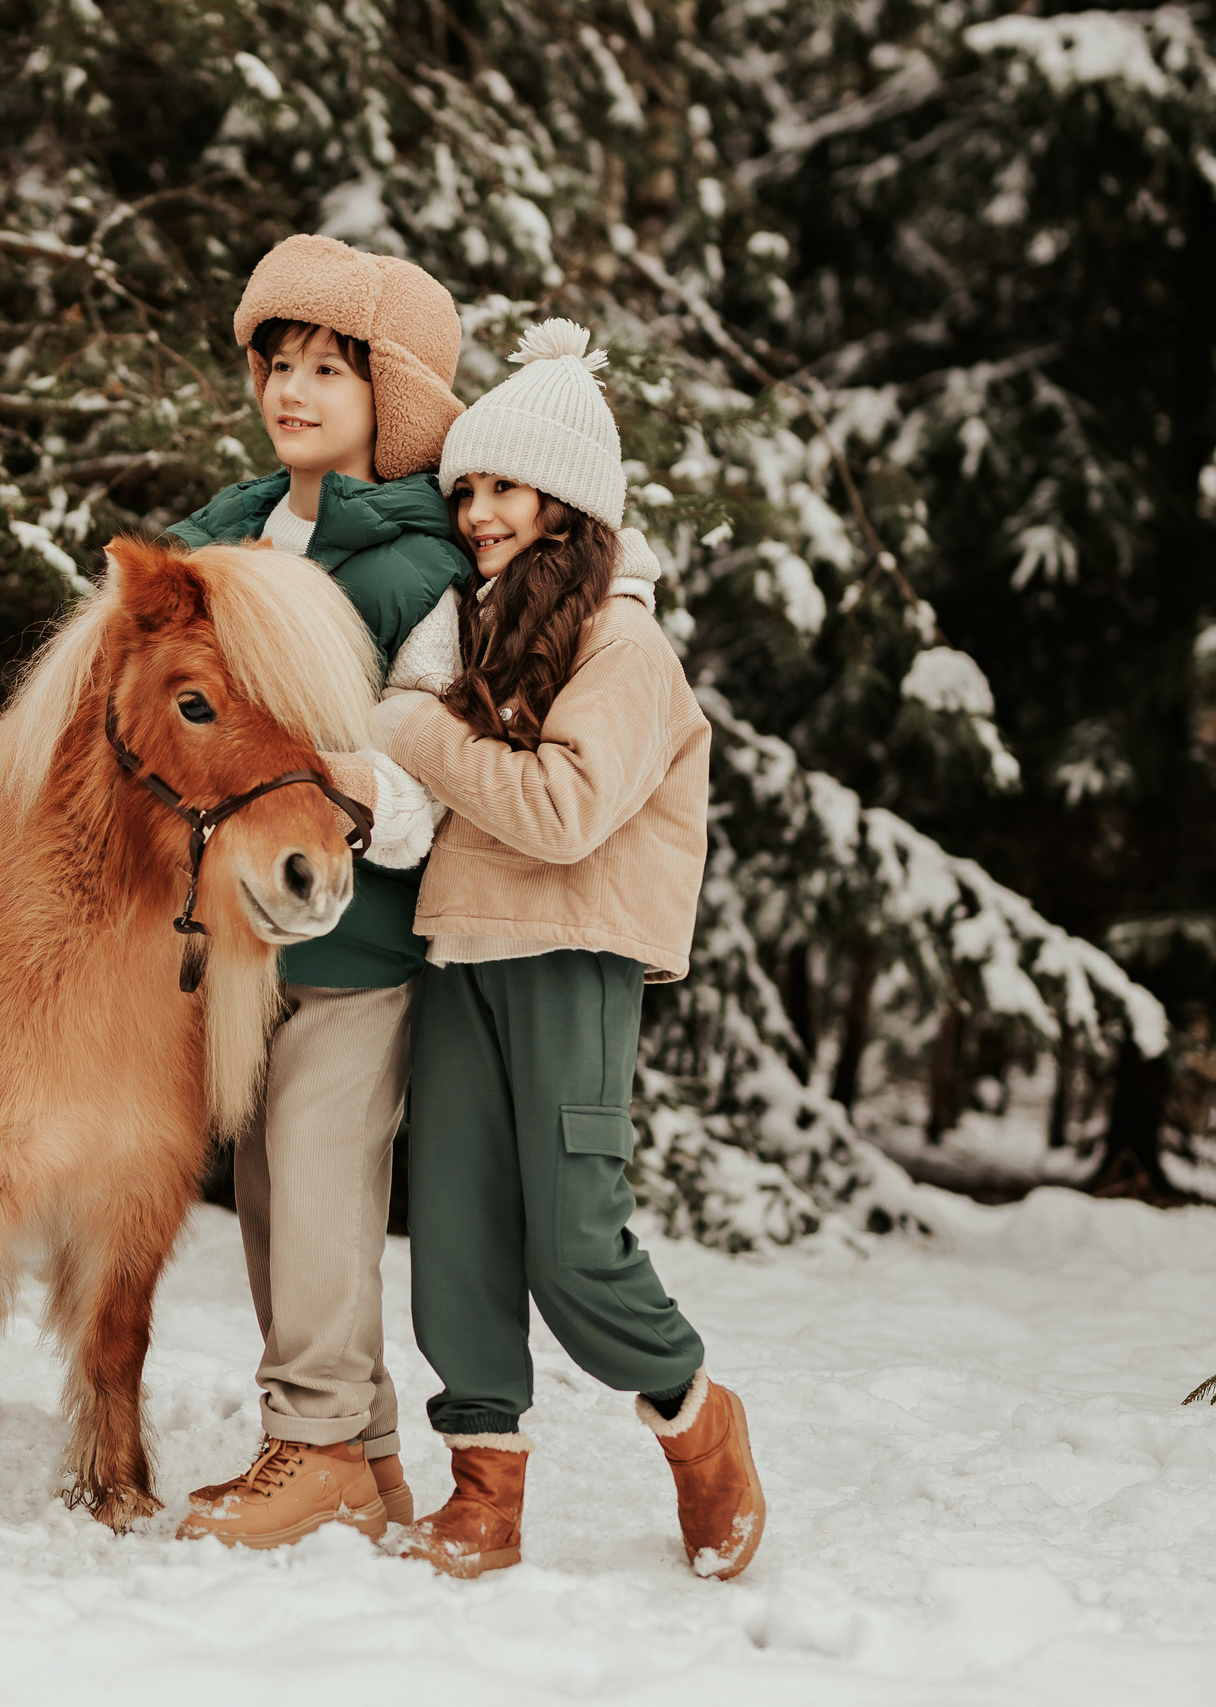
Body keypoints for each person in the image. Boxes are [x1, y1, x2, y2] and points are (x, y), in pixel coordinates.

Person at [368, 317, 767, 1581]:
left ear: (570, 502)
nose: (478, 511)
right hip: (456, 955)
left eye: (504, 487)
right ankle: (482, 1492)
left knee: (575, 1247)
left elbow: (561, 810)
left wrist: (416, 731)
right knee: (458, 1238)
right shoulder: (471, 637)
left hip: (572, 957)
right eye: (466, 489)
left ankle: (697, 1422)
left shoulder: (624, 645)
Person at [165, 234, 468, 1549]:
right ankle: (370, 1460)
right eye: (278, 363)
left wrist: (358, 794)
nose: (292, 390)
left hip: (362, 934)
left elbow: (430, 775)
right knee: (274, 1188)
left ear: (388, 394)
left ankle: (314, 1440)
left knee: (322, 1166)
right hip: (237, 933)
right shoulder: (219, 536)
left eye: (328, 371)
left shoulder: (423, 563)